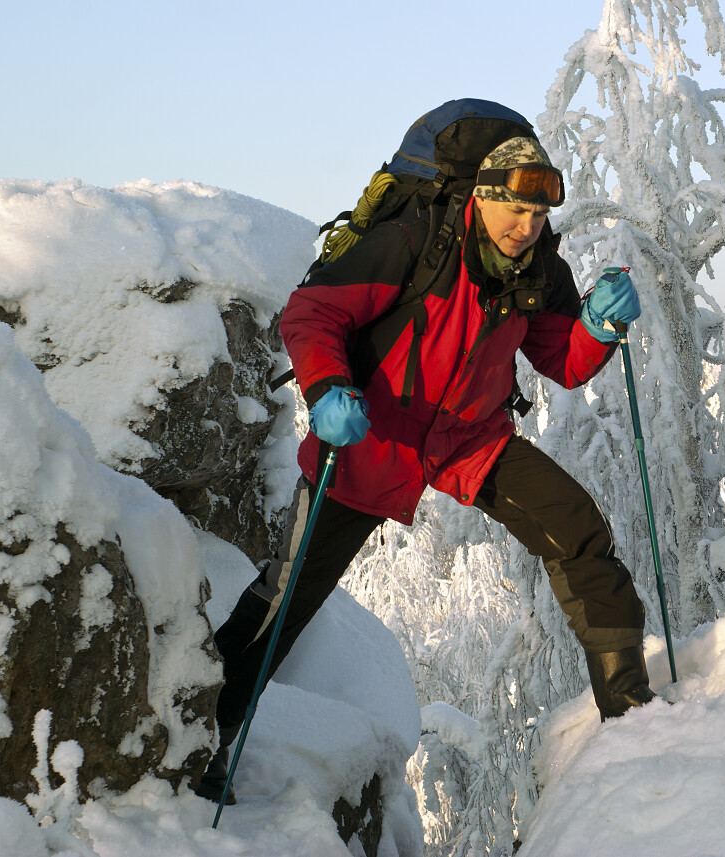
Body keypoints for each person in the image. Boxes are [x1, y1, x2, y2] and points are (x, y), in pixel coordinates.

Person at [195, 130, 657, 804]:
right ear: (481, 197)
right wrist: (326, 389)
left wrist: (600, 327)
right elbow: (314, 311)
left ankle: (633, 716)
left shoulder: (537, 269)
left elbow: (563, 360)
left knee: (578, 529)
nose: (527, 227)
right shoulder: (416, 245)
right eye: (515, 211)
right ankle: (208, 737)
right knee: (288, 593)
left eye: (538, 216)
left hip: (468, 438)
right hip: (369, 435)